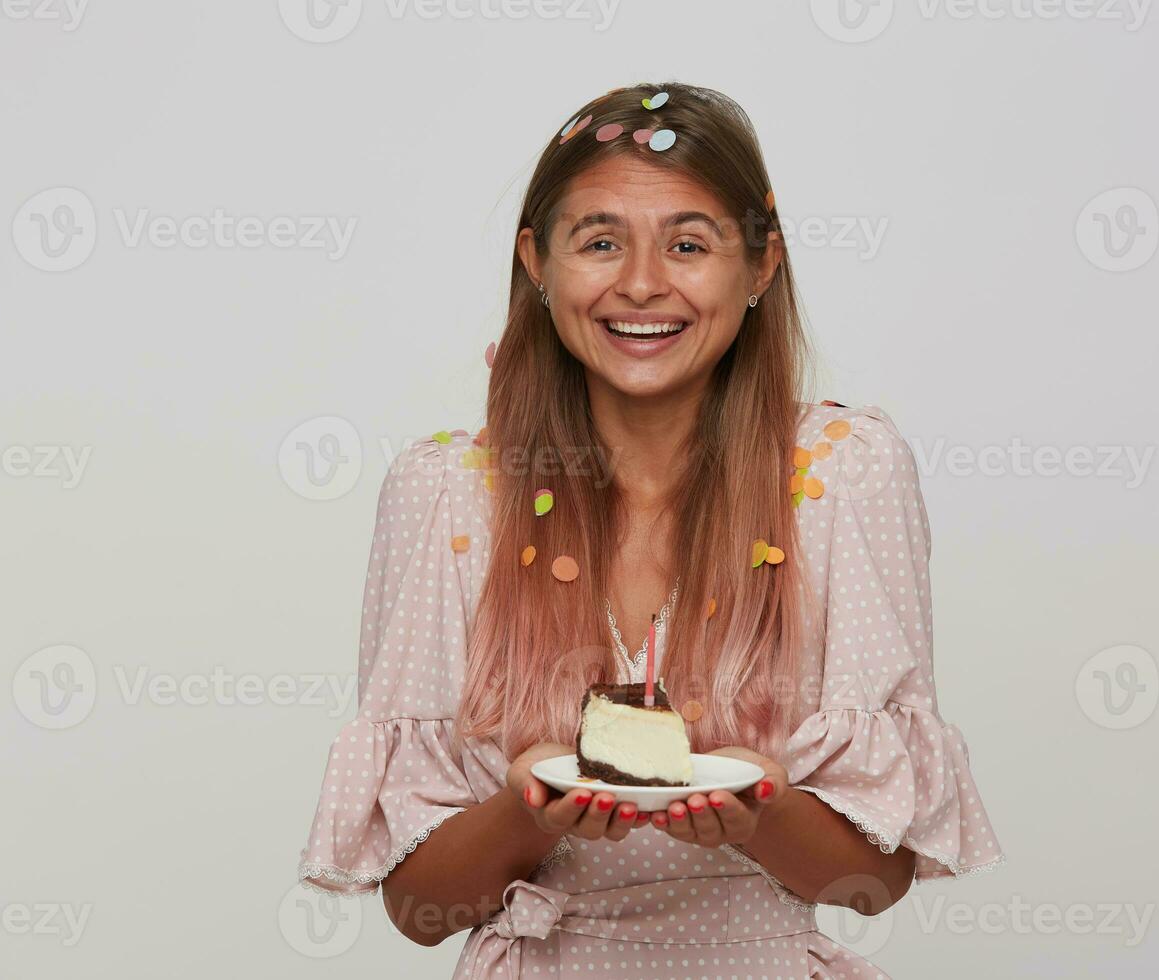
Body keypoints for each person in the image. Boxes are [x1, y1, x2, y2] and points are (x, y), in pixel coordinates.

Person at [294, 81, 1004, 978]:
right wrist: (525, 809)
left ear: (760, 268)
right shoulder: (449, 493)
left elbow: (874, 883)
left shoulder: (842, 474)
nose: (640, 283)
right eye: (600, 242)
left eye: (688, 244)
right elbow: (419, 909)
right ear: (537, 263)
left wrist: (766, 810)